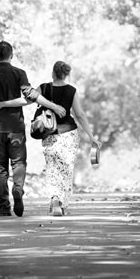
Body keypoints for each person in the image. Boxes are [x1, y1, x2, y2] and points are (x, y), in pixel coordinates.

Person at [0, 41, 66, 217]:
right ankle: (18, 188)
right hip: (15, 127)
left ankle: (4, 207)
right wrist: (54, 106)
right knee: (19, 163)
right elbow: (31, 96)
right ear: (11, 55)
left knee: (0, 168)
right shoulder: (19, 73)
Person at [38, 61, 100, 216]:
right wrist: (91, 136)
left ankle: (54, 197)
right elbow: (79, 115)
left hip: (48, 133)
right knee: (66, 168)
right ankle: (62, 203)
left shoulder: (43, 88)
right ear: (66, 75)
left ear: (53, 73)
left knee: (52, 167)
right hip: (68, 134)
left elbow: (29, 98)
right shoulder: (71, 90)